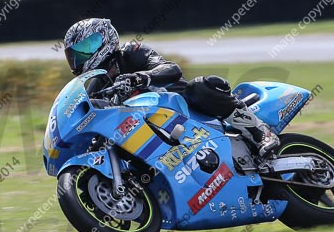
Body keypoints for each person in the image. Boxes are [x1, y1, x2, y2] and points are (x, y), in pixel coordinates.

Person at [63, 17, 279, 157]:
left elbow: (171, 69)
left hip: (186, 110)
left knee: (200, 86)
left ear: (105, 38)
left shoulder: (132, 52)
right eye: (76, 53)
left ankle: (259, 131)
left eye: (86, 47)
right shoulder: (95, 85)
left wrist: (140, 78)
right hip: (152, 134)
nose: (81, 56)